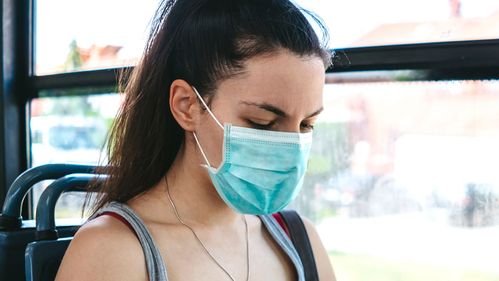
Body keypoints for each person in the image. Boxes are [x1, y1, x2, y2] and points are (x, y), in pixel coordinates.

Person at [55, 0, 336, 280]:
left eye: (306, 124)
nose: (290, 147)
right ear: (187, 106)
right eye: (262, 123)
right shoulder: (112, 251)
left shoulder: (301, 240)